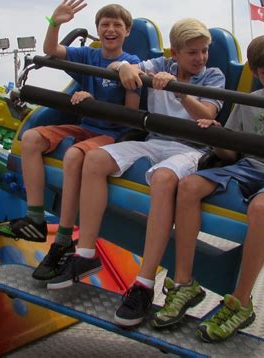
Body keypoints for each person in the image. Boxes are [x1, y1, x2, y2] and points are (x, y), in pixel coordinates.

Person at [45, 18, 226, 326]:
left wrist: (180, 92)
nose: (200, 58)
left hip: (190, 148)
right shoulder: (159, 63)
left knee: (163, 178)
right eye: (193, 52)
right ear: (176, 52)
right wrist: (126, 69)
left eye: (204, 51)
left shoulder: (212, 75)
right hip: (154, 141)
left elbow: (207, 114)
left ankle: (144, 283)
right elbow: (124, 66)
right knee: (95, 160)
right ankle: (86, 253)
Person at [151, 35, 264, 343]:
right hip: (248, 167)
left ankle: (241, 301)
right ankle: (183, 282)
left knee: (260, 209)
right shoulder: (249, 100)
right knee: (189, 186)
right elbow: (230, 153)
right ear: (256, 74)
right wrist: (216, 136)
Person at [0, 0, 141, 281]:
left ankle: (62, 238)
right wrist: (54, 22)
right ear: (98, 30)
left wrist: (93, 99)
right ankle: (35, 218)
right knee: (32, 139)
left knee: (73, 154)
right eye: (105, 24)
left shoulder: (132, 63)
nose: (110, 29)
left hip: (114, 134)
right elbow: (51, 49)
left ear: (127, 31)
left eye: (117, 25)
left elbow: (129, 117)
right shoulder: (89, 56)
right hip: (86, 126)